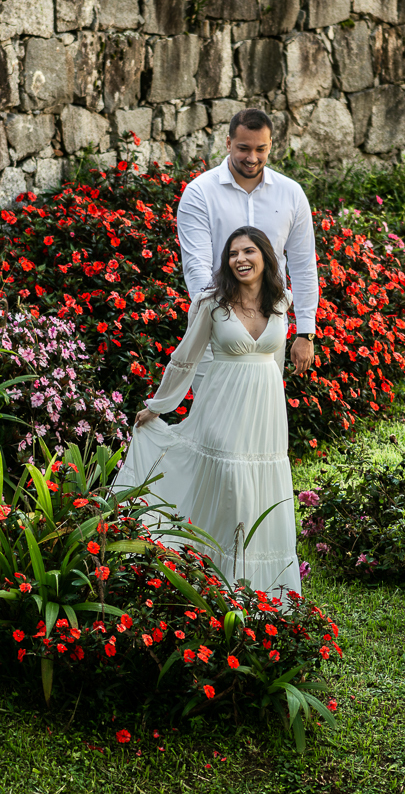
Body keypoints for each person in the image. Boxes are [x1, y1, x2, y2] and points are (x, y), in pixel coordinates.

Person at [114, 227, 300, 596]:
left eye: (249, 251)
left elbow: (274, 360)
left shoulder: (282, 301)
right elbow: (185, 359)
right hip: (223, 406)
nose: (240, 259)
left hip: (265, 413)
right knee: (233, 486)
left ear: (265, 256)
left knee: (261, 493)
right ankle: (219, 583)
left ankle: (262, 592)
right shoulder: (212, 303)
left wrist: (271, 405)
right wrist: (159, 405)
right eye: (233, 254)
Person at [176, 108, 318, 389]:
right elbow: (197, 267)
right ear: (228, 143)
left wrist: (306, 332)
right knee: (212, 422)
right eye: (243, 148)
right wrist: (219, 322)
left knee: (261, 419)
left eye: (260, 149)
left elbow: (303, 265)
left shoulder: (291, 194)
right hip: (215, 332)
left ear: (271, 146)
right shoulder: (199, 192)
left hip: (269, 331)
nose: (252, 157)